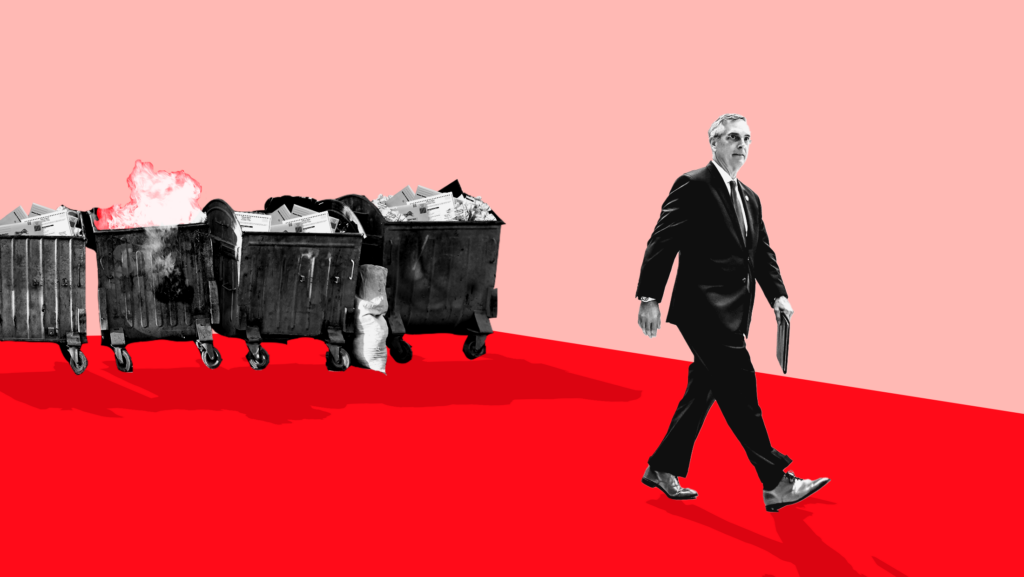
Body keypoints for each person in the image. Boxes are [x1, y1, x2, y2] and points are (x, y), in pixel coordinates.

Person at [635, 113, 829, 512]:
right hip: (701, 310)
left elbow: (760, 252)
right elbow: (662, 240)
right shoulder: (693, 185)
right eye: (733, 138)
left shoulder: (750, 197)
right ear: (714, 143)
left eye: (747, 139)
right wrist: (649, 297)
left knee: (703, 389)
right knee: (740, 390)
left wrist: (778, 296)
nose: (742, 145)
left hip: (734, 313)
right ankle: (775, 482)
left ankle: (662, 466)